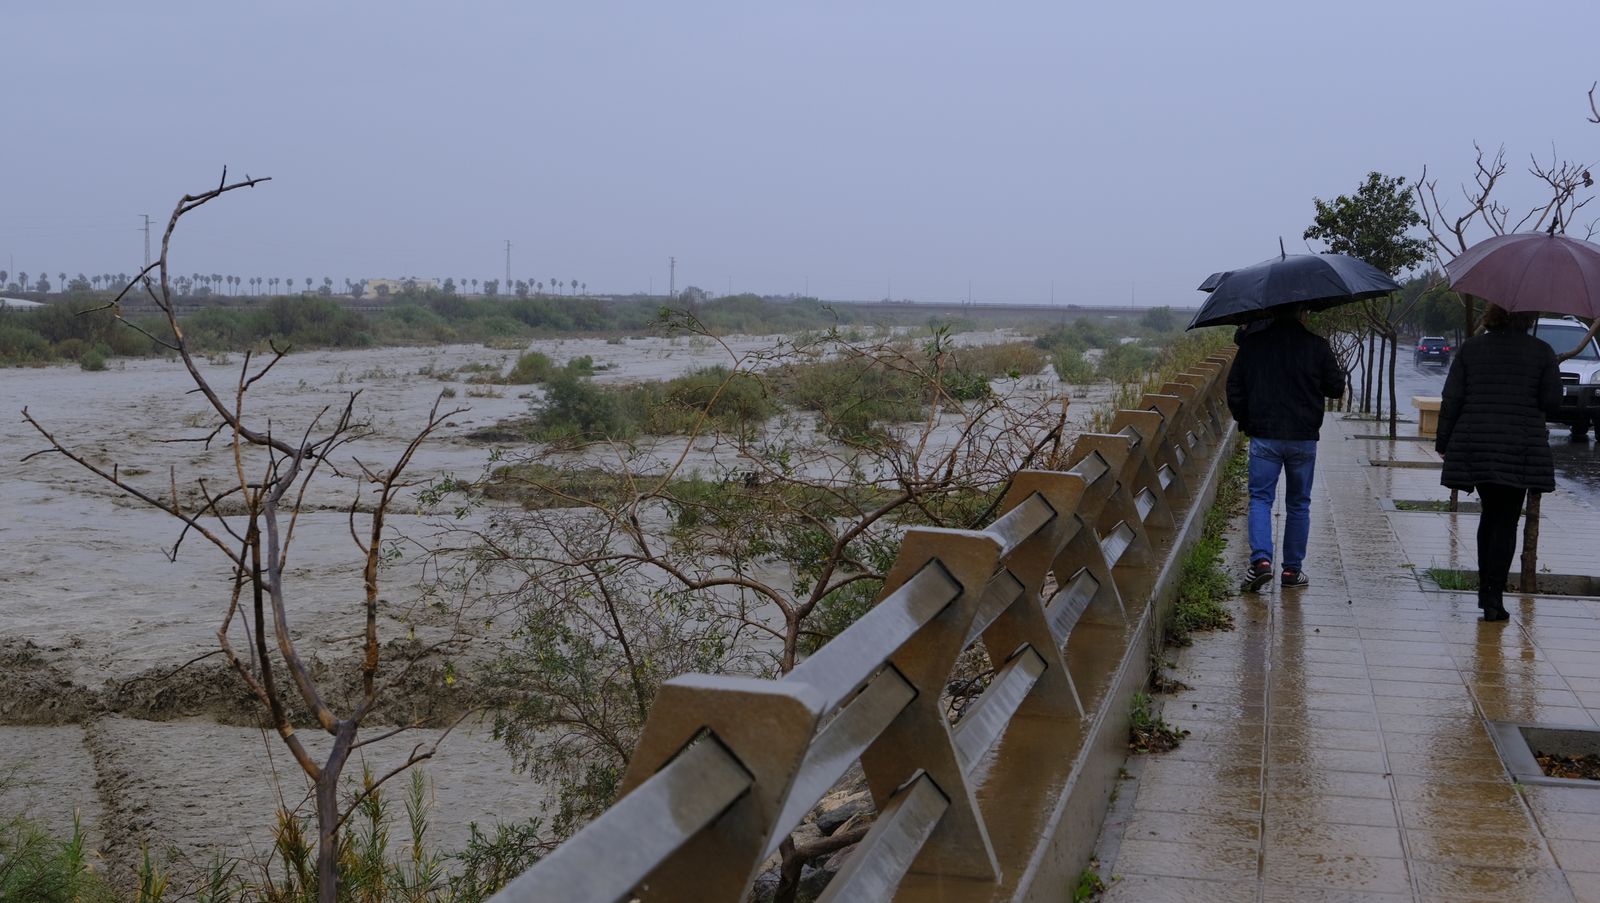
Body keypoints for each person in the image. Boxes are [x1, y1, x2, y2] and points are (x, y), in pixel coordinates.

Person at [1435, 304, 1561, 622]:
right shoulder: (1542, 351)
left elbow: (1452, 397)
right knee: (1506, 521)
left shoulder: (1471, 348)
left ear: (1492, 314)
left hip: (1477, 443)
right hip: (1519, 447)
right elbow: (1551, 403)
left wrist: (1443, 441)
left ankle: (1485, 591)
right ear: (1528, 318)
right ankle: (1494, 595)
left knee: (1489, 515)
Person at [1226, 305, 1345, 592]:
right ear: (1303, 313)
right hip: (1303, 438)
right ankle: (1292, 571)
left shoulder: (1253, 345)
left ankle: (1261, 562)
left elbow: (1234, 387)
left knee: (1261, 499)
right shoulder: (1317, 346)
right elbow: (1336, 387)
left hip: (1265, 435)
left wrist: (1245, 420)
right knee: (1298, 504)